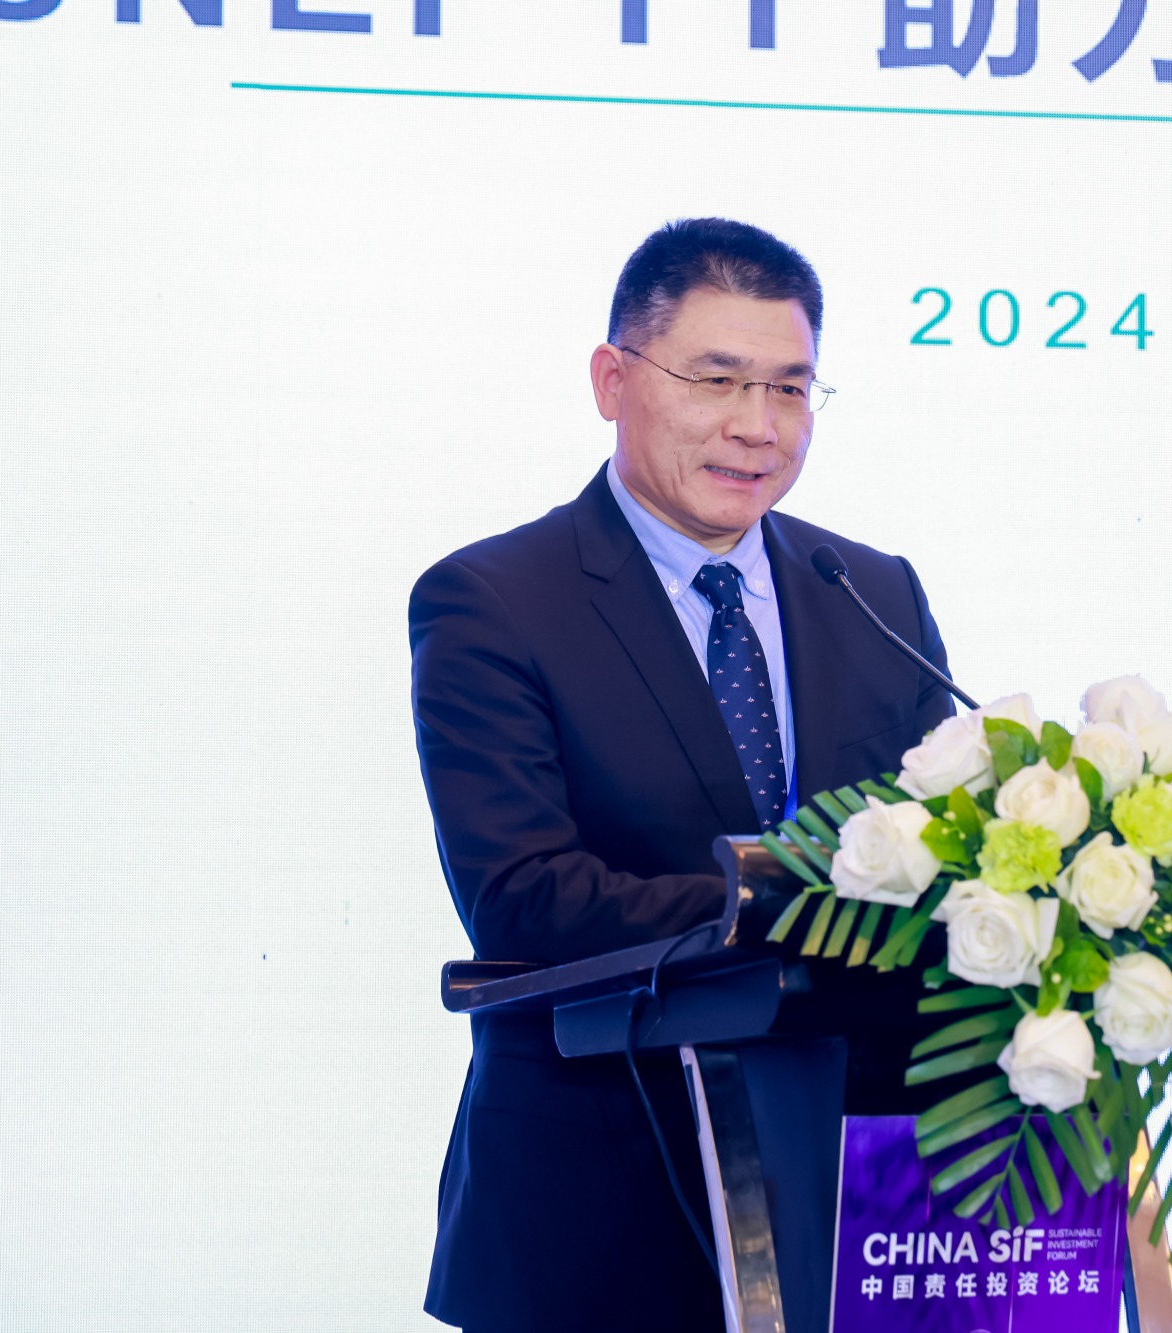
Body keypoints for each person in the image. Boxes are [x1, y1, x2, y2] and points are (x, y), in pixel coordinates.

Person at [408, 218, 955, 1331]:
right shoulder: (494, 600)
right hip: (598, 1206)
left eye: (790, 388)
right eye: (717, 380)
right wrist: (805, 901)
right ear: (613, 381)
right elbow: (522, 893)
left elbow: (943, 849)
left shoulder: (872, 589)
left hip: (861, 1199)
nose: (758, 425)